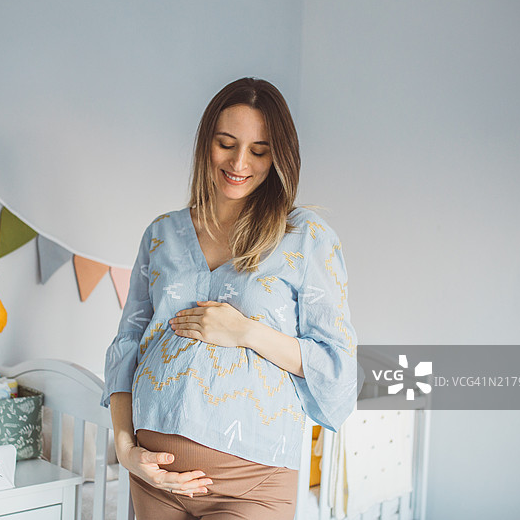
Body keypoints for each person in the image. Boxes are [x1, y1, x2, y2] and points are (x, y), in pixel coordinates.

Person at [102, 77, 358, 519]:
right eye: (226, 144)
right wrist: (127, 451)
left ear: (279, 156)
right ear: (206, 143)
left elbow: (336, 366)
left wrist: (246, 332)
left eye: (259, 150)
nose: (240, 163)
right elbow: (128, 346)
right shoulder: (161, 233)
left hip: (252, 484)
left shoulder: (307, 238)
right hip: (155, 478)